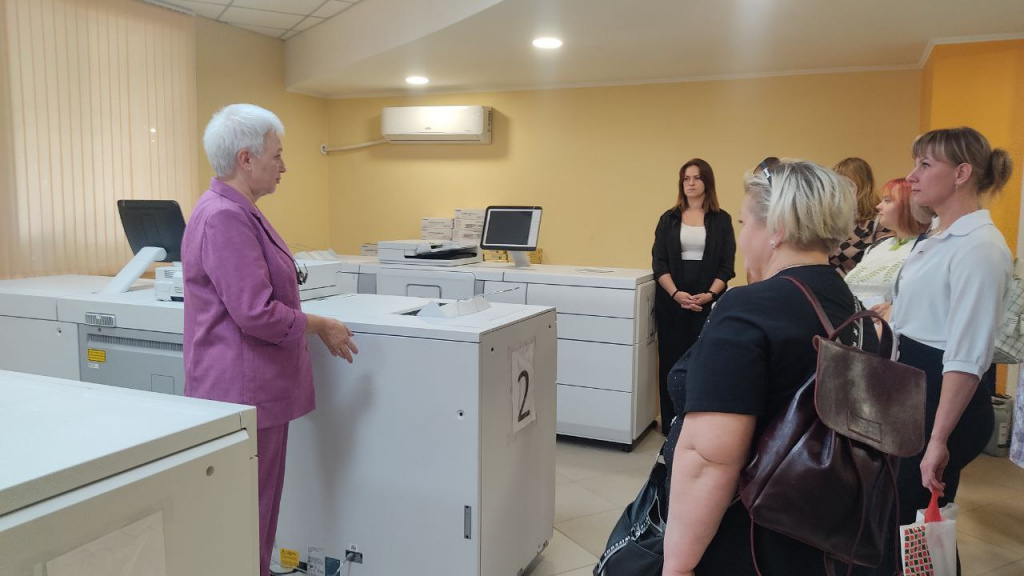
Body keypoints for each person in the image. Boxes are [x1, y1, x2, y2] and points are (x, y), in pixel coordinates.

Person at [662, 160, 877, 576]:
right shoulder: (856, 310)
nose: (742, 236)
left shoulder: (747, 309)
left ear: (775, 229)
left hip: (754, 539)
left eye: (746, 223)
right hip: (832, 532)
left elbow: (710, 457)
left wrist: (679, 565)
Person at [182, 103, 359, 576]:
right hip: (245, 389)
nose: (284, 166)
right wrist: (321, 325)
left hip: (245, 388)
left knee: (252, 511)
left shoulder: (236, 211)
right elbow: (255, 312)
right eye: (277, 155)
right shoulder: (225, 217)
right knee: (251, 512)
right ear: (246, 159)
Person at [875, 127, 1013, 575]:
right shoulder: (938, 235)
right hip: (916, 390)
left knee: (920, 525)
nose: (911, 176)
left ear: (962, 173)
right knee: (910, 523)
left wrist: (937, 440)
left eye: (924, 165)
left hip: (943, 398)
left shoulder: (980, 248)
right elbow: (930, 311)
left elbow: (967, 355)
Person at [651, 158, 735, 435]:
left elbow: (726, 266)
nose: (690, 182)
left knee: (703, 362)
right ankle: (671, 424)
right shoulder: (669, 218)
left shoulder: (721, 220)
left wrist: (710, 294)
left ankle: (696, 423)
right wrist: (676, 294)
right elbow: (659, 263)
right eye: (686, 178)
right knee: (672, 361)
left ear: (706, 182)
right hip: (672, 299)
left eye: (696, 177)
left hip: (706, 301)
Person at [844, 178, 931, 314]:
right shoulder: (878, 246)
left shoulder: (927, 249)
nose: (878, 206)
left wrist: (895, 308)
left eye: (887, 200)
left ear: (908, 206)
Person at [830, 157, 892, 275]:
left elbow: (881, 265)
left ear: (860, 185)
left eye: (844, 183)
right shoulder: (832, 219)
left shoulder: (879, 221)